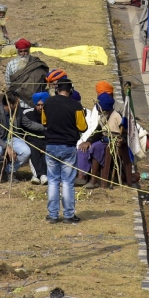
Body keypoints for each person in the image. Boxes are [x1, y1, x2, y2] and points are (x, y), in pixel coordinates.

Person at [41, 75, 87, 223]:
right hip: (68, 147)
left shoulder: (48, 102)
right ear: (71, 91)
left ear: (57, 89)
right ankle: (68, 215)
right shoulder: (76, 106)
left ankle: (53, 215)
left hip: (51, 145)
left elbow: (44, 121)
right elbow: (83, 127)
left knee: (53, 181)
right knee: (67, 182)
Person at [75, 90, 126, 188]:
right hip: (103, 140)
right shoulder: (103, 116)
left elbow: (124, 132)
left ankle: (94, 180)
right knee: (83, 148)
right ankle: (82, 176)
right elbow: (97, 132)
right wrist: (88, 141)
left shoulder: (116, 116)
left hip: (112, 143)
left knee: (96, 147)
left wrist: (122, 140)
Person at [0, 94, 32, 182]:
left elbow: (28, 124)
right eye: (17, 102)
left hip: (12, 138)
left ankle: (9, 171)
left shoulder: (17, 111)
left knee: (26, 152)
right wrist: (7, 147)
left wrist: (45, 128)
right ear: (10, 104)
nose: (19, 104)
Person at [22, 92, 50, 184]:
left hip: (46, 139)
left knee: (47, 149)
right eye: (38, 105)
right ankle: (41, 174)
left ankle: (39, 175)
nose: (40, 107)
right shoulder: (27, 113)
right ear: (35, 104)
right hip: (32, 139)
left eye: (42, 105)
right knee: (33, 149)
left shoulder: (50, 113)